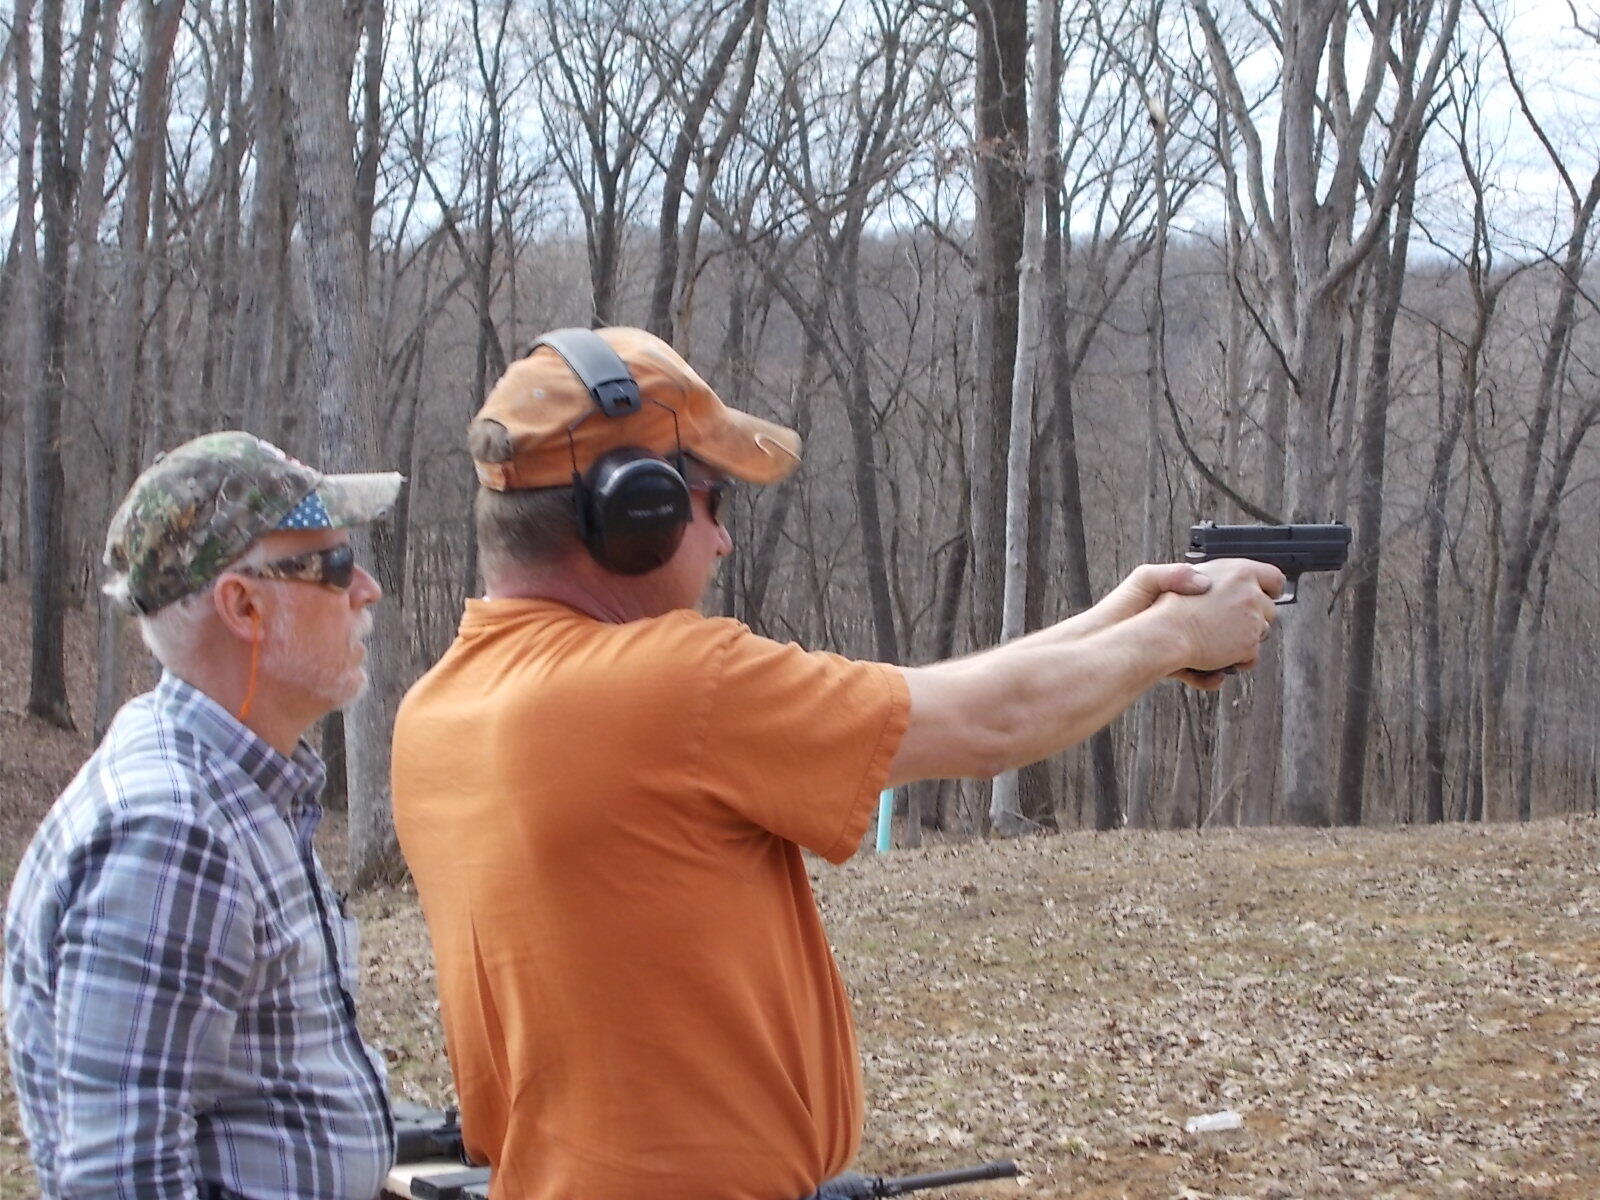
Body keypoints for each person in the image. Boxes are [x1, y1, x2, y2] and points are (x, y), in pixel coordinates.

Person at [390, 327, 1283, 1200]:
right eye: (712, 502)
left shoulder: (435, 712)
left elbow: (931, 697)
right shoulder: (672, 684)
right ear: (637, 511)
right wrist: (1177, 637)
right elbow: (992, 725)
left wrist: (1122, 617)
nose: (722, 541)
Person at [4, 432, 404, 1200]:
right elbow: (121, 1183)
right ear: (243, 606)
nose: (368, 589)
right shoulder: (174, 835)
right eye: (334, 566)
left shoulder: (235, 789)